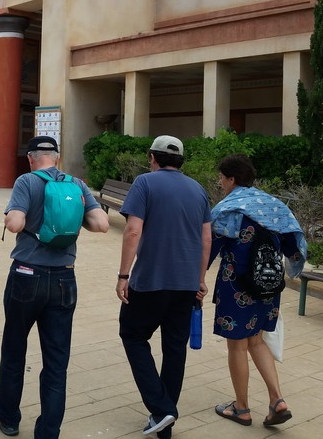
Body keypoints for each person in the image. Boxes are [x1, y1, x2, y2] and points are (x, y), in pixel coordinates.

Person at [0, 136, 110, 439]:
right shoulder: (77, 184)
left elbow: (15, 224)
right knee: (57, 360)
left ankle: (8, 417)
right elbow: (101, 224)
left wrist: (12, 216)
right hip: (64, 280)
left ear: (31, 158)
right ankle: (48, 431)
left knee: (14, 347)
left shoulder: (27, 181)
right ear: (57, 158)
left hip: (26, 277)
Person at [116, 135, 212, 438]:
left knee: (132, 335)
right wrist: (200, 279)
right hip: (186, 285)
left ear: (152, 157)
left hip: (150, 281)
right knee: (174, 349)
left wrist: (123, 275)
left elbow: (133, 231)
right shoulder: (198, 189)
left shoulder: (144, 183)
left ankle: (161, 408)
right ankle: (164, 419)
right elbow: (206, 238)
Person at [209, 154, 307, 428]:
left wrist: (195, 280)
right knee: (257, 340)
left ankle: (241, 408)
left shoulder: (228, 209)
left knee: (237, 345)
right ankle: (277, 400)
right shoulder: (274, 206)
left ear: (232, 179)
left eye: (221, 178)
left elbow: (209, 248)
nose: (220, 183)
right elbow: (293, 247)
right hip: (268, 283)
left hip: (236, 285)